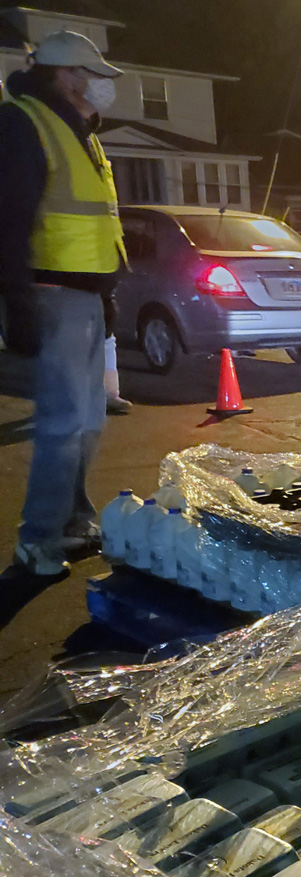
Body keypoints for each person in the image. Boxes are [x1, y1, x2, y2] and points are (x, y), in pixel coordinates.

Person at [0, 31, 126, 575]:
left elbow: (98, 225)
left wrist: (107, 293)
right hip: (51, 296)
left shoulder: (82, 132)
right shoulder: (23, 123)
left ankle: (73, 523)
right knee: (63, 423)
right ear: (65, 74)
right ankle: (38, 540)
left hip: (86, 297)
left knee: (88, 420)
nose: (101, 85)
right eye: (93, 74)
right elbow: (8, 219)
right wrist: (17, 302)